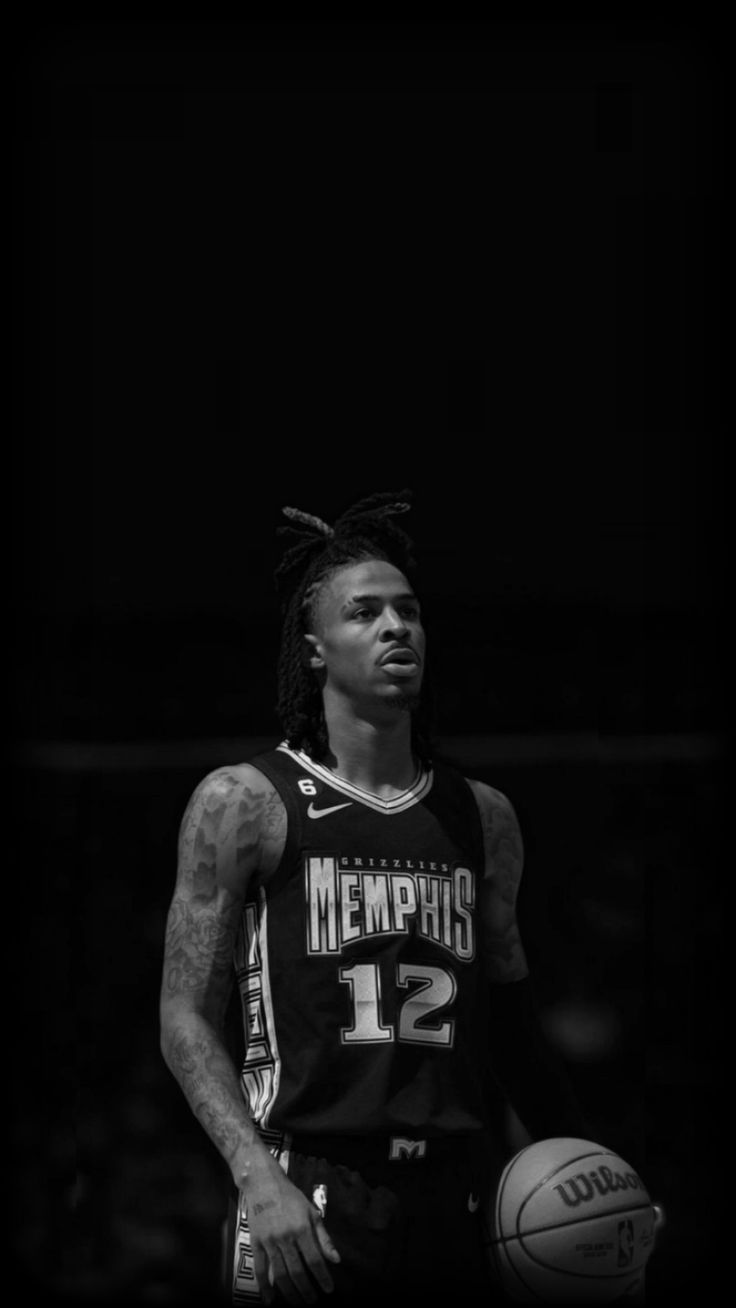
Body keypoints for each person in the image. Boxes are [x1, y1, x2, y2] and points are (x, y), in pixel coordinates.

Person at [159, 490, 591, 1307]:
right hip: (304, 1184)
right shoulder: (244, 801)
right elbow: (184, 1016)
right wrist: (256, 1177)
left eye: (410, 611)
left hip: (459, 1193)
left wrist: (595, 1166)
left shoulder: (483, 817)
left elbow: (513, 1030)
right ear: (315, 648)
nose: (397, 627)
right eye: (365, 613)